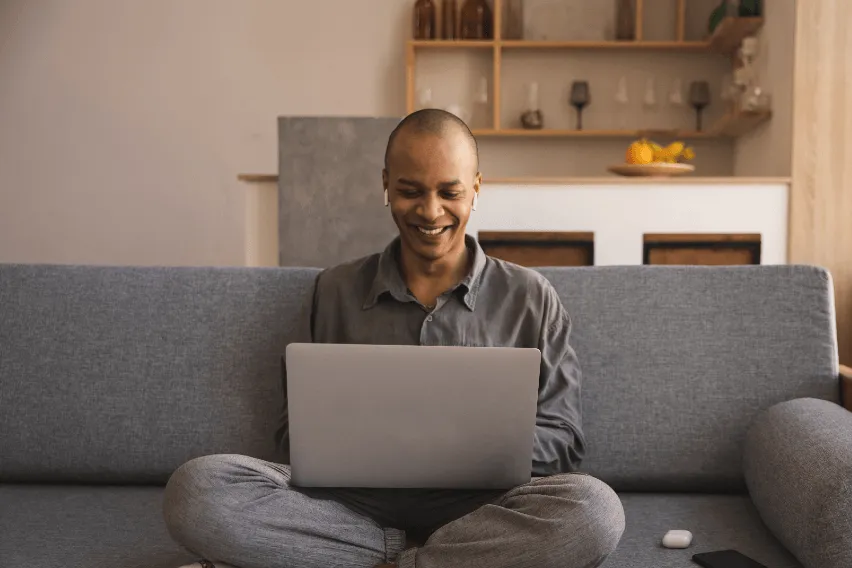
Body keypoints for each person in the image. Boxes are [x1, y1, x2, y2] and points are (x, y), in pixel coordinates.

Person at [163, 109, 625, 568]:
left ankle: (366, 561)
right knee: (197, 489)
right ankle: (419, 559)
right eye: (410, 191)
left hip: (483, 510)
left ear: (477, 189)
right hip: (350, 509)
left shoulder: (531, 296)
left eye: (450, 192)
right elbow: (293, 434)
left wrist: (462, 450)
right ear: (386, 185)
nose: (430, 211)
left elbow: (564, 438)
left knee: (595, 512)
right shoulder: (335, 290)